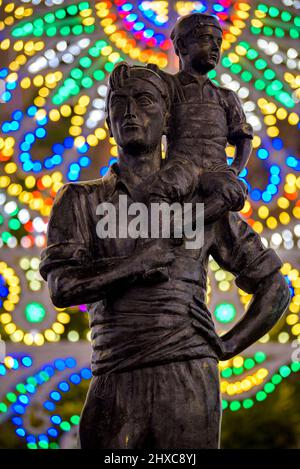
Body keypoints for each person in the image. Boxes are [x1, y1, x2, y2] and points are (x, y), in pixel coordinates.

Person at [39, 64, 290, 449]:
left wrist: (229, 344)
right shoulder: (81, 200)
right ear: (107, 121)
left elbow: (276, 287)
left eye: (144, 101)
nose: (129, 112)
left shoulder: (203, 204)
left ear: (168, 118)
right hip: (114, 374)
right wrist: (136, 265)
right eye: (118, 103)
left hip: (188, 375)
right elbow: (63, 287)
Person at [138, 13, 252, 222]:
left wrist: (234, 169)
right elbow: (136, 86)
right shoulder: (166, 86)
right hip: (181, 163)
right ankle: (169, 229)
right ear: (181, 45)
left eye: (219, 42)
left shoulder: (226, 97)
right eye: (208, 39)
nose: (216, 47)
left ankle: (183, 225)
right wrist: (122, 72)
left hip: (216, 166)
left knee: (234, 192)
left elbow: (243, 137)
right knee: (157, 190)